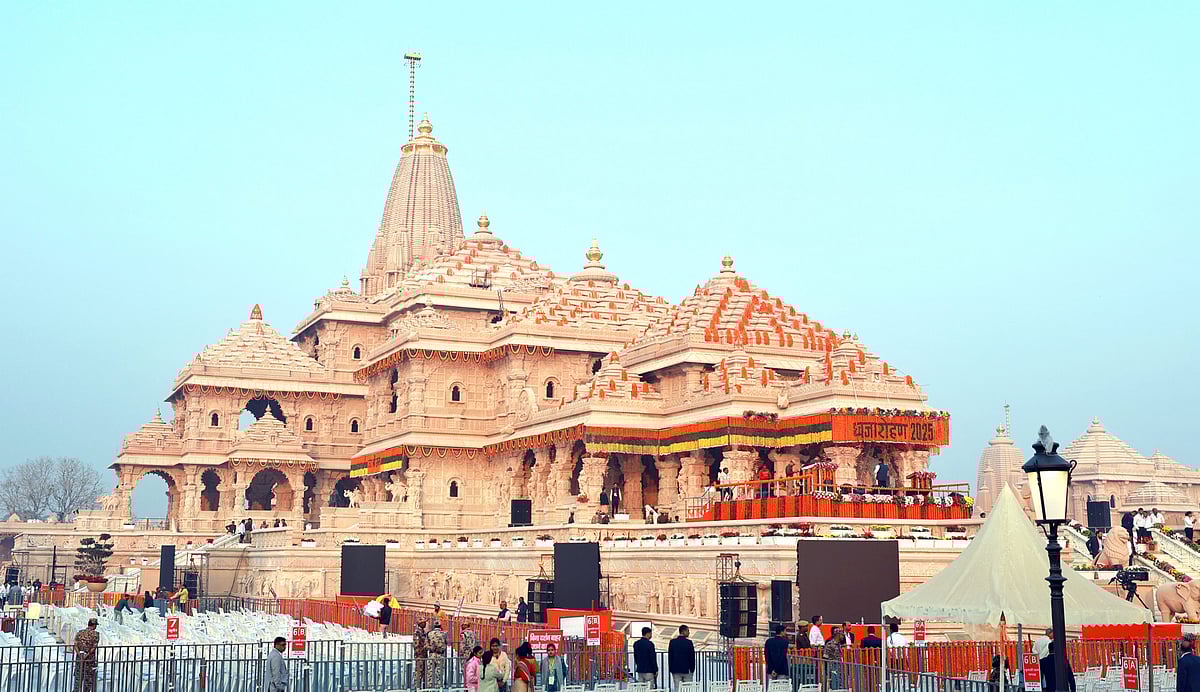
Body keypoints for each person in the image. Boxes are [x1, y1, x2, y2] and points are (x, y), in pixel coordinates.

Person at [73, 617, 100, 692]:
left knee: (78, 678)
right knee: (88, 680)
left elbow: (75, 645)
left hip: (79, 658)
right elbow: (93, 648)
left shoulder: (80, 632)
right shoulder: (96, 634)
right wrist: (86, 656)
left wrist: (80, 655)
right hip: (89, 660)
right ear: (94, 625)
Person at [427, 621, 449, 687]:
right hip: (440, 655)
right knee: (439, 673)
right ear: (440, 626)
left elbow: (426, 644)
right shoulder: (444, 634)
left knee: (430, 673)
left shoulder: (429, 633)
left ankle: (430, 688)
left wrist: (431, 648)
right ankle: (439, 687)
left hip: (432, 654)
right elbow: (446, 643)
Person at [413, 620, 429, 687]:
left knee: (424, 672)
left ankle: (424, 687)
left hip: (424, 654)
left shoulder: (423, 632)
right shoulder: (417, 632)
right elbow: (416, 644)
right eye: (424, 623)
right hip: (420, 655)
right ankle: (417, 687)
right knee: (419, 672)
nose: (425, 624)